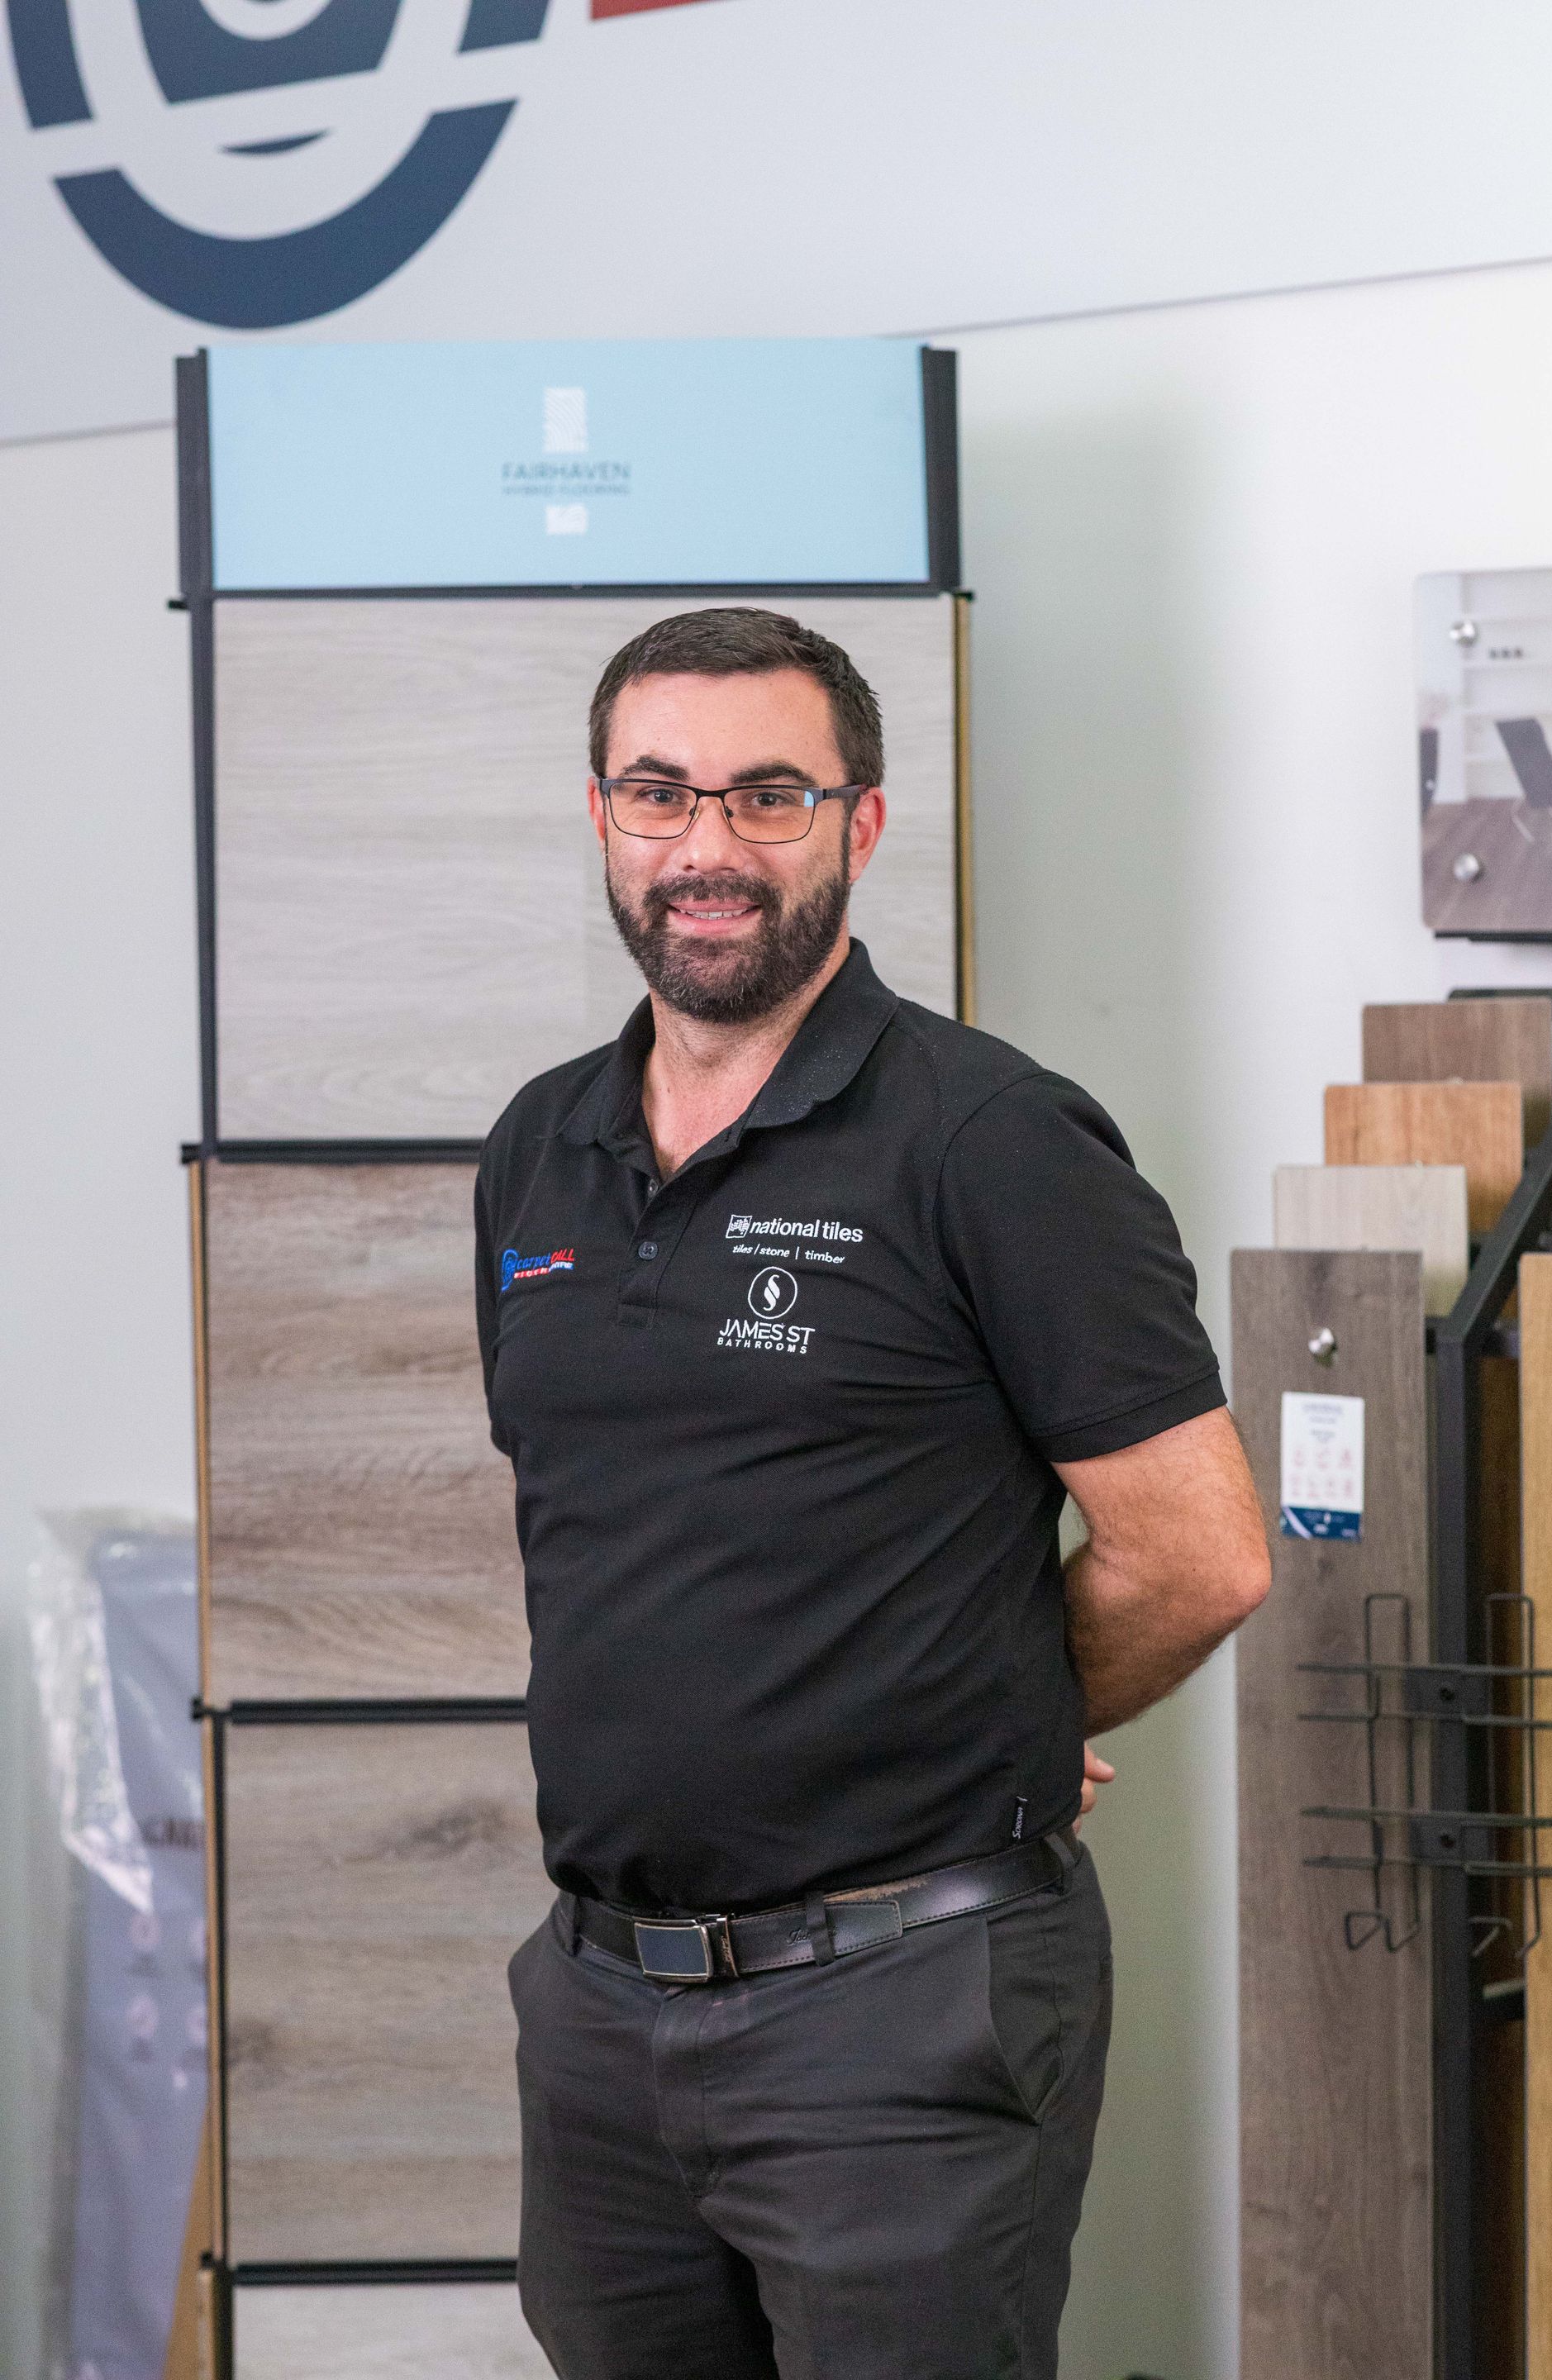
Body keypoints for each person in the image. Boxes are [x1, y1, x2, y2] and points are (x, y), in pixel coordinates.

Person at [474, 607, 1270, 2380]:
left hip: (898, 2017)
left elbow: (1201, 1556)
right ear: (601, 814)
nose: (709, 848)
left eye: (771, 796)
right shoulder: (540, 1147)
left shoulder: (992, 1143)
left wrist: (996, 1712)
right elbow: (611, 1541)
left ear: (864, 823)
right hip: (601, 2010)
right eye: (660, 793)